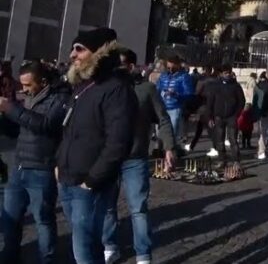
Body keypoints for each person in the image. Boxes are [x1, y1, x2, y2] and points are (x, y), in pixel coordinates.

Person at [57, 28, 137, 264]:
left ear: (98, 53)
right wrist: (58, 162)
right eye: (73, 48)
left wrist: (92, 180)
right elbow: (69, 130)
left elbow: (118, 142)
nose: (72, 54)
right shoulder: (82, 87)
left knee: (86, 249)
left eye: (79, 49)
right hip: (68, 177)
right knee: (81, 243)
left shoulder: (116, 89)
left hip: (90, 182)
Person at [103, 48, 177, 264]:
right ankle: (109, 245)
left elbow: (162, 118)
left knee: (138, 208)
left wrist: (169, 147)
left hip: (135, 157)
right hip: (108, 156)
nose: (116, 68)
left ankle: (143, 255)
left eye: (121, 64)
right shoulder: (106, 88)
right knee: (107, 206)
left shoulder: (146, 89)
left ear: (131, 66)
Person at [0, 62, 69, 263]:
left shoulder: (59, 98)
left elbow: (45, 125)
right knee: (10, 219)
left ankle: (46, 259)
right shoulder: (27, 98)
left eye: (29, 85)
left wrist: (11, 108)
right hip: (19, 166)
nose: (25, 89)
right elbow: (18, 129)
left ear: (43, 82)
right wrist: (4, 119)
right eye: (22, 85)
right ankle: (9, 257)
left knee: (43, 220)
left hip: (42, 168)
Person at [204, 65, 246, 163]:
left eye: (229, 73)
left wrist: (237, 113)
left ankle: (236, 161)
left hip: (231, 116)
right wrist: (209, 117)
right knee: (219, 140)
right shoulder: (215, 86)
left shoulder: (235, 86)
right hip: (218, 116)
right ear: (221, 74)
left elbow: (241, 101)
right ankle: (222, 160)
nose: (228, 75)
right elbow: (210, 102)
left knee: (233, 140)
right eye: (225, 73)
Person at [155, 54, 193, 149]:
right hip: (161, 107)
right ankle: (159, 149)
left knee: (172, 132)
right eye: (168, 68)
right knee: (159, 132)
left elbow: (189, 93)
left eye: (173, 68)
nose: (170, 70)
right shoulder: (163, 76)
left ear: (178, 65)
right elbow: (157, 90)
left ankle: (170, 151)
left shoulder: (184, 77)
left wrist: (176, 94)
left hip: (175, 108)